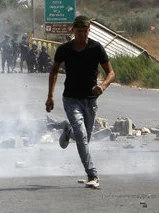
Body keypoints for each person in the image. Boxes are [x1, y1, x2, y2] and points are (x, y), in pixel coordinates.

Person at [45, 15, 115, 188]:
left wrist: (103, 86)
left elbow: (111, 73)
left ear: (89, 31)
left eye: (86, 31)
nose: (83, 34)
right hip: (71, 98)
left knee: (85, 138)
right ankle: (92, 174)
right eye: (79, 31)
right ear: (73, 31)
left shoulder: (96, 48)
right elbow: (54, 70)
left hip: (91, 101)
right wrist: (50, 96)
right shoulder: (65, 49)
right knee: (82, 136)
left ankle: (68, 131)